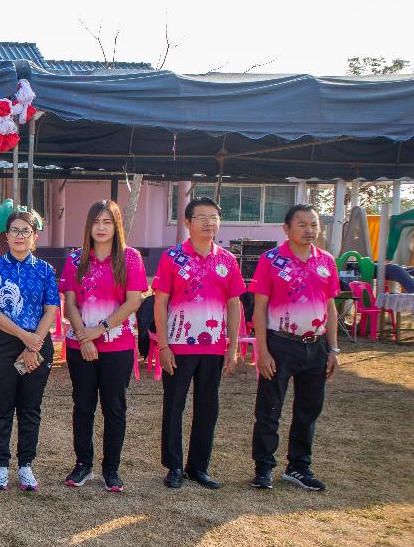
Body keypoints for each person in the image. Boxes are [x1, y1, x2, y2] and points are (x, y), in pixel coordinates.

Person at [152, 196, 244, 490]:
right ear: (187, 223)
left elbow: (234, 304)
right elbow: (160, 302)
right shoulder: (172, 257)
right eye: (202, 217)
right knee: (174, 406)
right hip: (178, 345)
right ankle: (174, 466)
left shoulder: (227, 260)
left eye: (214, 217)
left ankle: (198, 467)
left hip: (214, 347)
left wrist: (232, 346)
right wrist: (163, 345)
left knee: (207, 407)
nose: (209, 223)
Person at [248, 204, 341, 491]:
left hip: (316, 347)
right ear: (287, 229)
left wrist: (333, 349)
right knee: (269, 410)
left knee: (308, 410)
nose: (309, 230)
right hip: (280, 344)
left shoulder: (326, 261)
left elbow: (330, 307)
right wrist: (262, 350)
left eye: (314, 224)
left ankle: (299, 467)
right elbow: (259, 308)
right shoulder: (271, 260)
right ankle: (264, 467)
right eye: (302, 225)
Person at [59, 200, 148, 493]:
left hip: (117, 346)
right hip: (80, 346)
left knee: (114, 408)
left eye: (107, 222)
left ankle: (111, 469)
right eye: (96, 222)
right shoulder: (75, 259)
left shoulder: (130, 258)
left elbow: (133, 302)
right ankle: (83, 464)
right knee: (83, 406)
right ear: (89, 226)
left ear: (116, 225)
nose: (101, 227)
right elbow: (70, 303)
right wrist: (84, 338)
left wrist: (99, 330)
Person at [0, 209, 59, 492]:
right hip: (2, 343)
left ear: (34, 236)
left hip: (37, 343)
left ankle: (26, 464)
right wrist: (25, 337)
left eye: (26, 231)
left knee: (30, 407)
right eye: (14, 230)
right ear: (7, 235)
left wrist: (33, 342)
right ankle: (1, 464)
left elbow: (51, 309)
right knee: (2, 406)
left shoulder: (45, 270)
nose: (19, 236)